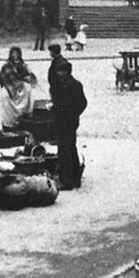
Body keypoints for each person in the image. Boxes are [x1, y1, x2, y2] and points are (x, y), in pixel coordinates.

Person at [51, 59, 88, 190]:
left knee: (64, 149)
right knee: (72, 147)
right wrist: (75, 113)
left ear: (65, 71)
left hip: (63, 121)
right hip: (73, 121)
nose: (58, 74)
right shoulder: (76, 84)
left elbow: (62, 106)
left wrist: (54, 109)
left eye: (59, 71)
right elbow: (83, 103)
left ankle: (66, 180)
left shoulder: (64, 86)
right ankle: (75, 177)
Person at [0, 46, 37, 127]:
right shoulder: (7, 66)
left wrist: (27, 78)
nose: (15, 55)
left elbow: (30, 76)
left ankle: (23, 118)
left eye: (16, 53)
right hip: (10, 88)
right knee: (6, 101)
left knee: (28, 90)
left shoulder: (23, 65)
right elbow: (4, 78)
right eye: (13, 53)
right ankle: (9, 123)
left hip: (21, 88)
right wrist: (12, 85)